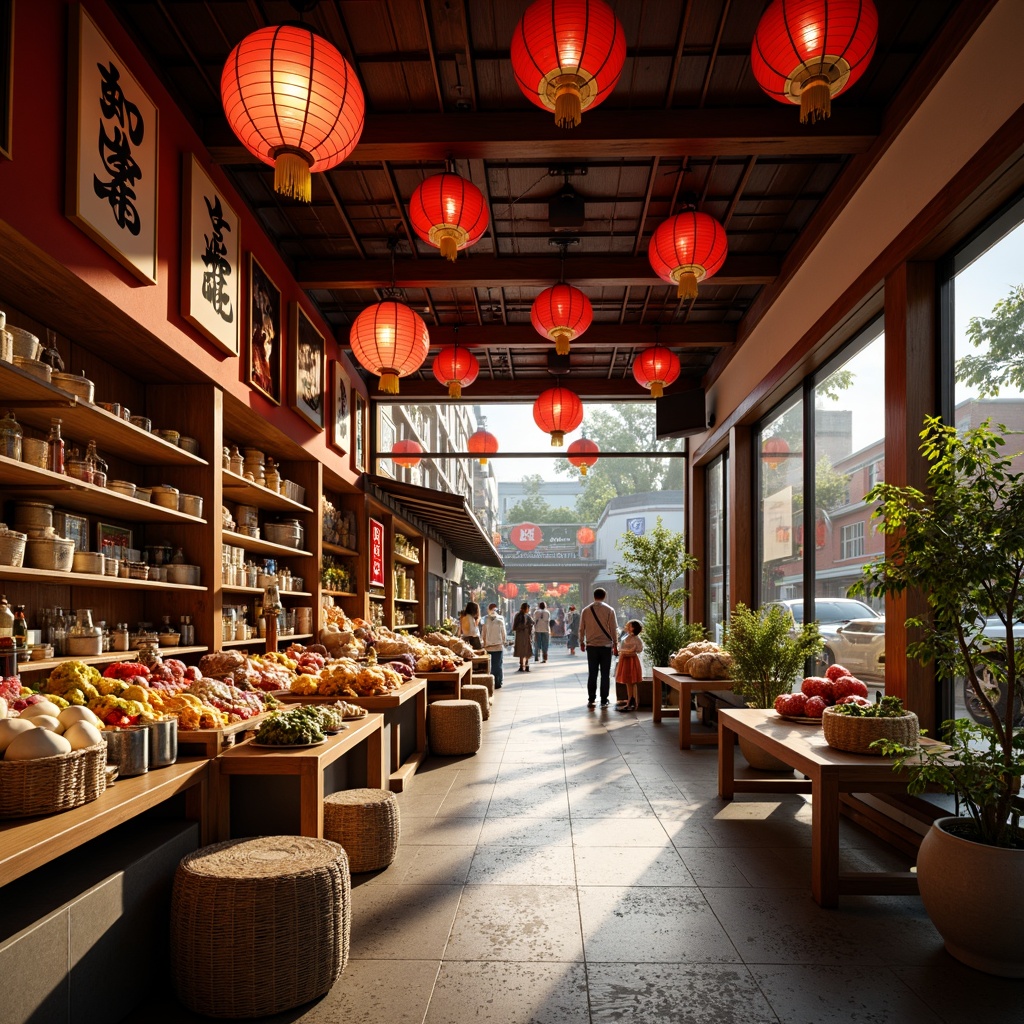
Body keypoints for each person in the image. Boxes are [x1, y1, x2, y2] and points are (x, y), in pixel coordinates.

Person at [579, 588, 619, 707]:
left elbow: (582, 628)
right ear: (604, 596)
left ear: (594, 596)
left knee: (592, 673)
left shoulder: (585, 610)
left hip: (591, 646)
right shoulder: (610, 610)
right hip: (606, 646)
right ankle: (604, 698)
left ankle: (591, 698)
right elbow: (613, 629)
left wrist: (581, 642)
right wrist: (615, 644)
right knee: (605, 673)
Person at [615, 620, 644, 712]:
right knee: (629, 682)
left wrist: (628, 651)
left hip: (630, 659)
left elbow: (639, 649)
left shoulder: (635, 638)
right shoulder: (627, 636)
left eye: (629, 625)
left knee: (631, 681)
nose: (626, 626)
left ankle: (632, 701)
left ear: (633, 628)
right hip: (626, 659)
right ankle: (630, 700)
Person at [480, 602, 507, 688]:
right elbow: (504, 633)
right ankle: (498, 682)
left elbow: (483, 632)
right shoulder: (500, 619)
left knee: (492, 666)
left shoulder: (486, 619)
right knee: (497, 665)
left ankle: (492, 683)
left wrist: (482, 642)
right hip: (497, 646)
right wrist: (504, 641)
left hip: (489, 646)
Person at [512, 602, 534, 672]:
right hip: (525, 634)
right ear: (526, 608)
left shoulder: (518, 615)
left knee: (521, 650)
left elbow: (514, 627)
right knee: (526, 650)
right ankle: (526, 665)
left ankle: (522, 665)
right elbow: (532, 623)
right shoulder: (526, 616)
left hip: (520, 635)